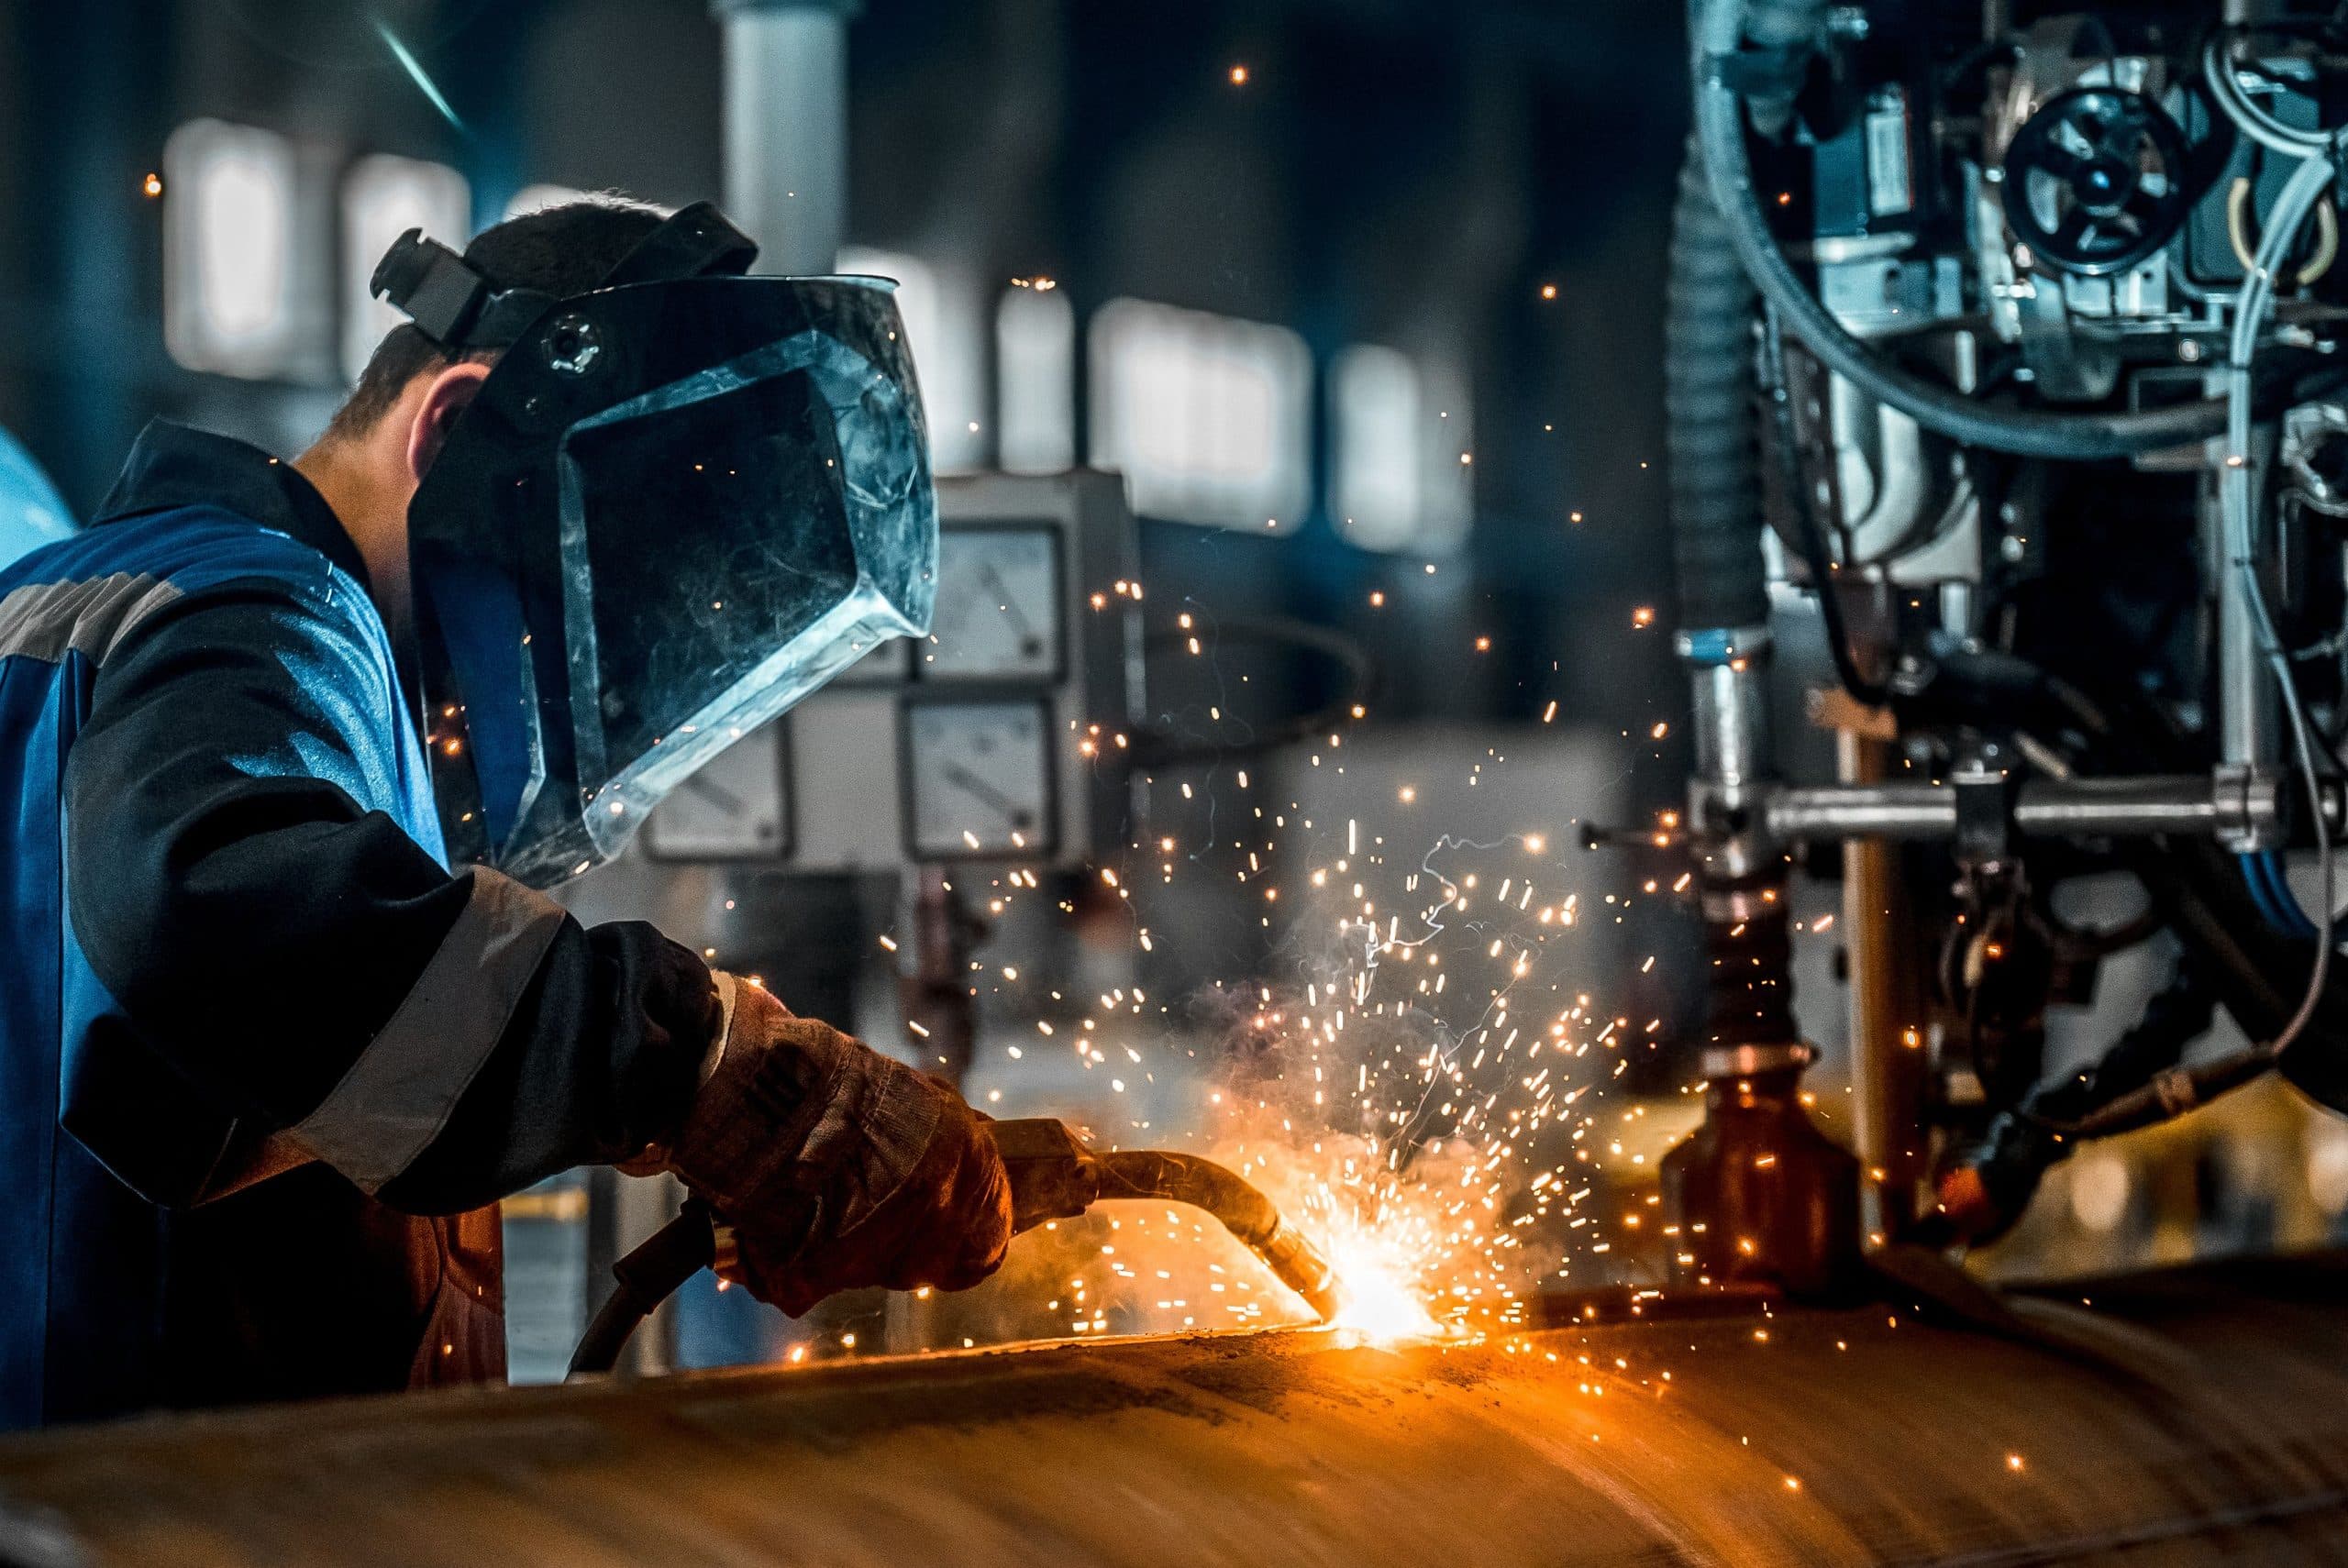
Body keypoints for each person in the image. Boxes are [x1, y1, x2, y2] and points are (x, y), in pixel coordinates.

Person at [0, 196, 1012, 1430]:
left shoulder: (125, 608)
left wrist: (595, 1097)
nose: (606, 692)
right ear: (458, 424)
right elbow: (203, 923)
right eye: (608, 624)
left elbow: (199, 1094)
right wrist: (677, 1059)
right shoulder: (269, 608)